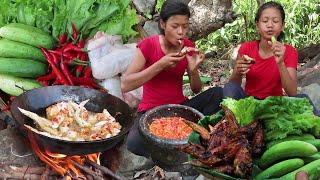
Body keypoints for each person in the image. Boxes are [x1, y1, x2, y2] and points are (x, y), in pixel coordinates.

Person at [121, 0, 223, 157]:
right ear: (163, 24)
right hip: (150, 111)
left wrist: (193, 70)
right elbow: (125, 84)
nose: (181, 32)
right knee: (133, 143)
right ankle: (174, 152)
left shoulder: (188, 45)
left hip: (180, 107)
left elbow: (196, 89)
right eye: (175, 26)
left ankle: (197, 140)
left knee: (217, 94)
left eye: (185, 26)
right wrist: (160, 65)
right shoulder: (148, 45)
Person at [223, 1, 320, 116]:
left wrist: (280, 63)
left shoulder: (289, 51)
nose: (270, 25)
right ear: (257, 25)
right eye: (265, 21)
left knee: (303, 98)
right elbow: (234, 86)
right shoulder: (246, 48)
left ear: (282, 25)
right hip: (249, 104)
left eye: (275, 21)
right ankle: (237, 124)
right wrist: (237, 71)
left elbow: (292, 92)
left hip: (275, 106)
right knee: (229, 88)